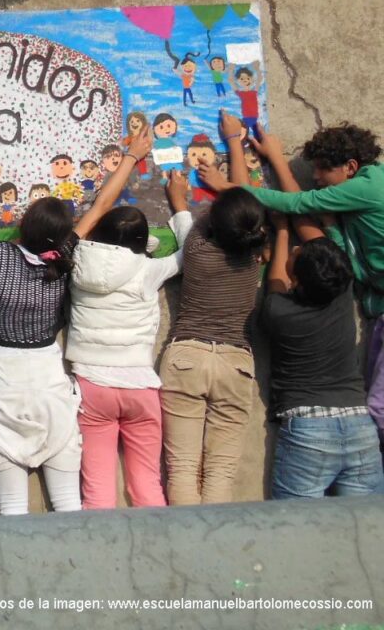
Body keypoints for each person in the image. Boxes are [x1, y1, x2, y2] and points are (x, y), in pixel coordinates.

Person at [0, 128, 154, 515]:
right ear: (60, 237)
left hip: (4, 396)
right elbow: (100, 206)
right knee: (68, 507)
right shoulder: (62, 261)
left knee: (12, 510)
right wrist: (130, 156)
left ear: (24, 225)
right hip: (52, 395)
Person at [199, 122, 384, 435]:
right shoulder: (357, 196)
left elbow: (300, 204)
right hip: (378, 312)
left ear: (351, 167)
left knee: (378, 409)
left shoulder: (369, 186)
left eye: (322, 170)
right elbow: (327, 236)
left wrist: (228, 187)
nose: (315, 178)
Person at [66, 170, 192, 509]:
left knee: (97, 488)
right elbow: (190, 252)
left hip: (92, 384)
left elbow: (103, 255)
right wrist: (180, 207)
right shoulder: (148, 270)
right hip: (139, 384)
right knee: (147, 484)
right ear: (141, 244)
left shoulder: (76, 262)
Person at [160, 112, 266, 505]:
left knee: (183, 467)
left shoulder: (198, 250)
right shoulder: (253, 257)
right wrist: (228, 173)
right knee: (221, 469)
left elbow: (195, 217)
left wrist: (179, 198)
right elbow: (245, 208)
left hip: (187, 353)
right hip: (236, 360)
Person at [262, 215, 384, 499]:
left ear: (299, 281)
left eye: (297, 253)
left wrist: (281, 230)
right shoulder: (342, 292)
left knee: (297, 528)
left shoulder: (278, 311)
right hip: (360, 428)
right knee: (363, 531)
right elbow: (323, 245)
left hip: (308, 431)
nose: (295, 249)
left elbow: (277, 279)